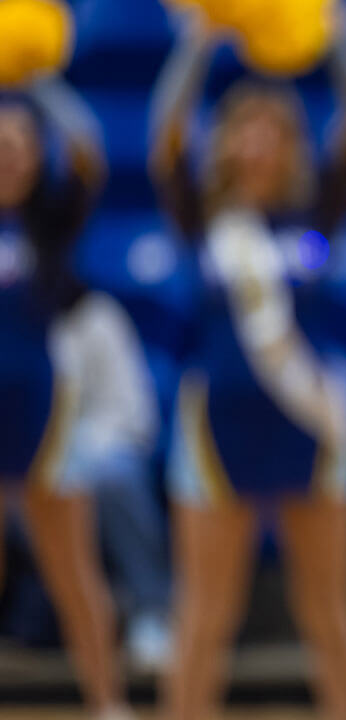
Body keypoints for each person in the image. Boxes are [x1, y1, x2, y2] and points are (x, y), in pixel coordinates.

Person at [148, 14, 346, 720]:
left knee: (332, 619)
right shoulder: (201, 216)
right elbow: (164, 135)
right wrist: (199, 41)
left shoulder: (318, 215)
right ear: (226, 141)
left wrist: (332, 32)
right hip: (216, 429)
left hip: (315, 425)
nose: (259, 143)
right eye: (245, 128)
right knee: (204, 619)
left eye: (275, 131)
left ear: (292, 149)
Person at [0, 78, 149, 720]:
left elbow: (90, 152)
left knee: (71, 571)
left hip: (40, 413)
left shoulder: (51, 223)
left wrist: (42, 82)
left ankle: (108, 703)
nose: (8, 151)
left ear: (37, 156)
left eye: (20, 141)